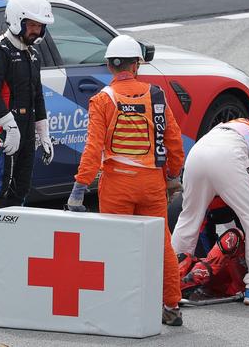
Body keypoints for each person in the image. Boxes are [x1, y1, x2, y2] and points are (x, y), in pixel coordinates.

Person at [65, 35, 185, 325]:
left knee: (115, 246)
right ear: (136, 65)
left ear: (109, 65)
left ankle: (119, 308)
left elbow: (93, 149)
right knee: (162, 245)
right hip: (152, 185)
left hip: (117, 185)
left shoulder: (102, 100)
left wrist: (79, 189)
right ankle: (171, 306)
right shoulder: (156, 96)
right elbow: (174, 142)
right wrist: (172, 176)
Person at [171, 111, 249, 306]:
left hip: (197, 152)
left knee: (189, 218)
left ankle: (171, 281)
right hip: (229, 156)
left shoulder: (242, 124)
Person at [0, 0, 55, 272]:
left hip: (26, 129)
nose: (36, 31)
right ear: (16, 20)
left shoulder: (32, 54)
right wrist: (9, 127)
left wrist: (43, 132)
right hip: (1, 129)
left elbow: (38, 96)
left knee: (21, 187)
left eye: (40, 26)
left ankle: (11, 240)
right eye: (32, 25)